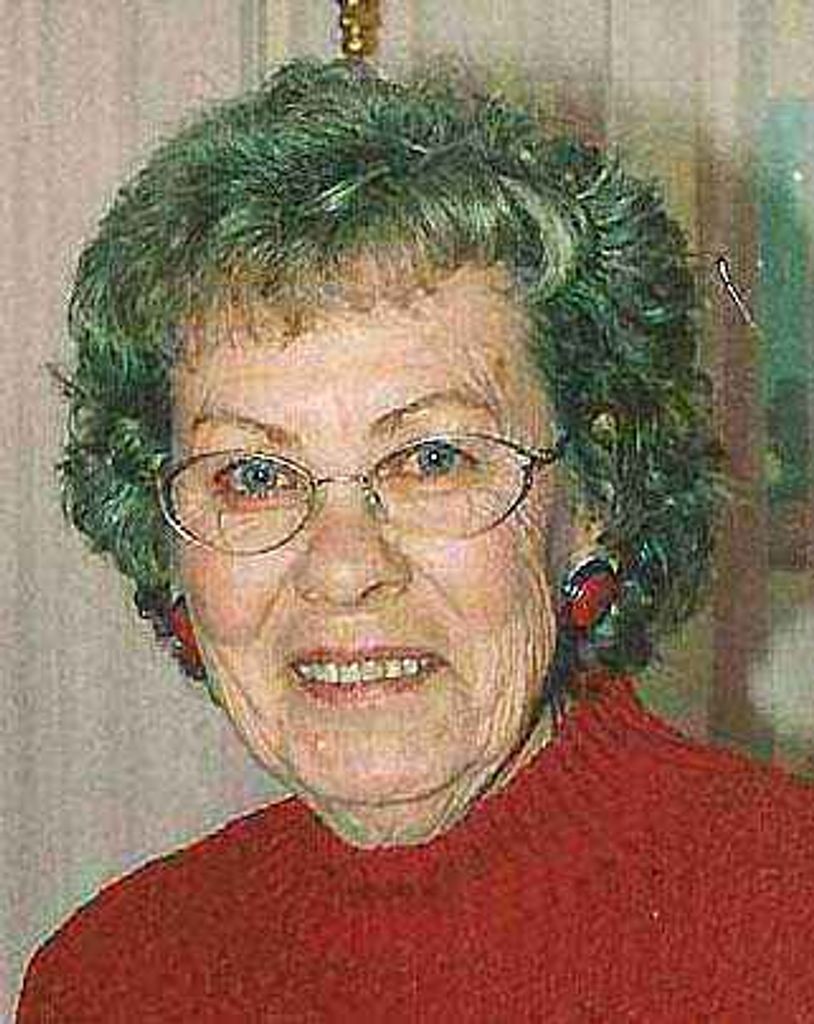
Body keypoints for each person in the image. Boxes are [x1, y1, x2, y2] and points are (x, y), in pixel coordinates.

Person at [17, 58, 814, 1021]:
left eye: (432, 460)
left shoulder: (789, 923)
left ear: (595, 499)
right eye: (254, 476)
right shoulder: (105, 980)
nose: (343, 567)